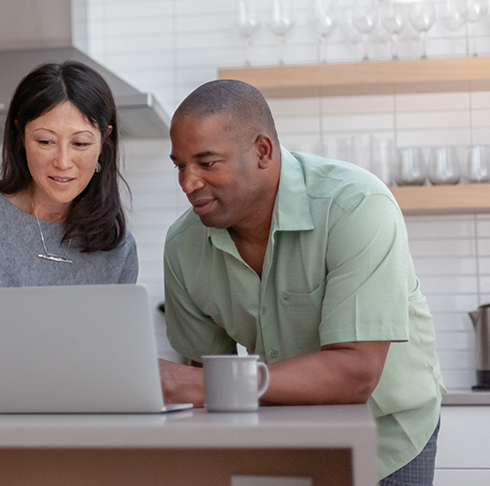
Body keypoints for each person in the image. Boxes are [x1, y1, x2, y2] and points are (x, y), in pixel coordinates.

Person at [159, 79, 445, 486]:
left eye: (206, 164)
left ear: (262, 151)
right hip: (285, 436)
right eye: (180, 166)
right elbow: (201, 377)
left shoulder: (356, 205)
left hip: (388, 434)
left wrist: (208, 384)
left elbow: (357, 371)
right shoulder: (183, 245)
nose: (188, 184)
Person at [0, 61, 138, 406]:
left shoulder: (117, 247)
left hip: (76, 419)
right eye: (45, 141)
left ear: (104, 142)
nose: (63, 162)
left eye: (81, 143)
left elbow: (112, 359)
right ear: (20, 136)